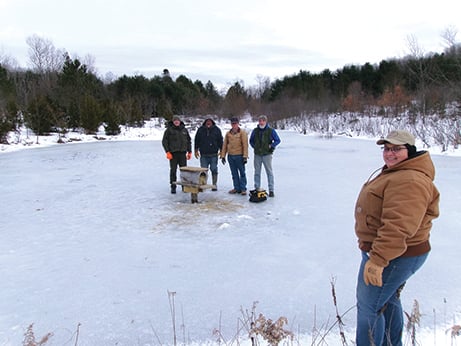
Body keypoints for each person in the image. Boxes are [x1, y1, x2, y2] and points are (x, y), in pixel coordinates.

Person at [354, 130, 440, 346]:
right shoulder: (398, 172)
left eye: (396, 149)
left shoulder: (409, 179)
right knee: (388, 300)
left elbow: (398, 225)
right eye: (386, 149)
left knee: (369, 308)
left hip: (395, 255)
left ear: (409, 151)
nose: (389, 154)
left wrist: (378, 260)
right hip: (392, 252)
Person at [249, 115, 281, 197]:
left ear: (266, 122)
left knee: (269, 172)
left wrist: (272, 146)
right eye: (260, 121)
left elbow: (278, 140)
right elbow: (251, 140)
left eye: (263, 121)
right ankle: (257, 188)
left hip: (267, 154)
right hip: (257, 155)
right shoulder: (255, 131)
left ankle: (271, 190)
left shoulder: (271, 131)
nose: (261, 122)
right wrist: (255, 147)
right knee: (257, 172)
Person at [162, 115, 192, 194]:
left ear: (180, 121)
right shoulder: (169, 130)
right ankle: (173, 186)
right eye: (175, 120)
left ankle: (184, 186)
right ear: (173, 121)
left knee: (184, 171)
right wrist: (167, 152)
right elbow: (164, 142)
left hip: (182, 153)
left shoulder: (184, 130)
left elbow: (188, 141)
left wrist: (189, 151)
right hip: (173, 154)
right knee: (173, 171)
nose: (176, 122)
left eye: (177, 120)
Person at [220, 117, 249, 195]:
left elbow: (245, 145)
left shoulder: (242, 133)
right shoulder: (228, 133)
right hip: (231, 156)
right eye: (232, 123)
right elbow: (225, 145)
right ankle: (236, 188)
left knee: (242, 173)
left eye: (235, 123)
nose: (234, 125)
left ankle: (243, 188)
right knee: (234, 173)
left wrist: (245, 156)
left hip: (239, 156)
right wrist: (223, 156)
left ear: (238, 123)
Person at [194, 118, 223, 191]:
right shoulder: (200, 130)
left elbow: (220, 140)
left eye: (210, 122)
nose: (208, 123)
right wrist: (196, 149)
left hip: (214, 154)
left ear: (212, 123)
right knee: (203, 170)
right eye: (207, 122)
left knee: (214, 169)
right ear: (205, 123)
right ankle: (202, 185)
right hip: (204, 154)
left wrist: (222, 150)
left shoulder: (217, 130)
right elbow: (197, 140)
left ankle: (214, 184)